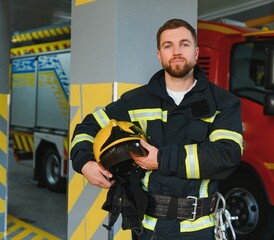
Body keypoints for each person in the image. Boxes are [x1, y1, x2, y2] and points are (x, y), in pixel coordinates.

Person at [71, 18, 243, 240]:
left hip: (200, 231)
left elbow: (227, 156)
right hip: (149, 230)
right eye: (168, 45)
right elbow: (87, 127)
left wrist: (161, 159)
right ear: (159, 55)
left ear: (196, 52)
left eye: (184, 44)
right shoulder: (134, 101)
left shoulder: (223, 103)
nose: (177, 51)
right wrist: (84, 163)